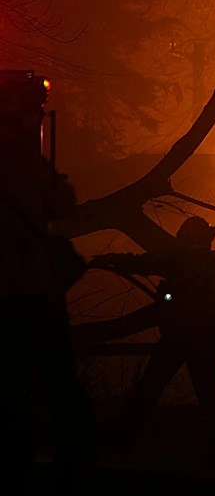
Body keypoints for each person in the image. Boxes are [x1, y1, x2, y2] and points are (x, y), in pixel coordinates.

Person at [1, 72, 95, 492]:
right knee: (59, 381)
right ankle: (71, 466)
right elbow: (60, 203)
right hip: (35, 289)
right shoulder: (23, 159)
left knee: (11, 384)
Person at [95, 216, 215, 447]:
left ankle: (123, 437)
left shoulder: (180, 260)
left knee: (151, 388)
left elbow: (142, 263)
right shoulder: (213, 266)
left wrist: (112, 260)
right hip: (199, 339)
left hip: (180, 337)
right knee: (206, 395)